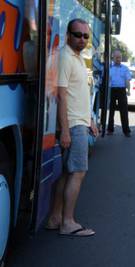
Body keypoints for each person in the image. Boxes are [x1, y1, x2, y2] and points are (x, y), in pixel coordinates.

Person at [46, 18, 97, 237]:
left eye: (86, 36)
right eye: (78, 35)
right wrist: (65, 130)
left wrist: (91, 120)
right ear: (68, 35)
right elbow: (62, 95)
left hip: (80, 122)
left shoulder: (78, 58)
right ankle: (68, 222)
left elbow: (80, 94)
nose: (82, 39)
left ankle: (55, 218)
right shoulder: (66, 56)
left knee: (68, 174)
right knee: (78, 172)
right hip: (73, 126)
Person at [108, 49, 132, 137]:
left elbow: (127, 80)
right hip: (112, 90)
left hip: (122, 90)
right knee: (111, 110)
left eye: (120, 57)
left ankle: (126, 131)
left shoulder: (125, 68)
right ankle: (110, 130)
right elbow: (107, 80)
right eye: (117, 57)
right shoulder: (109, 68)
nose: (119, 59)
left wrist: (128, 90)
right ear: (113, 57)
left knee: (124, 111)